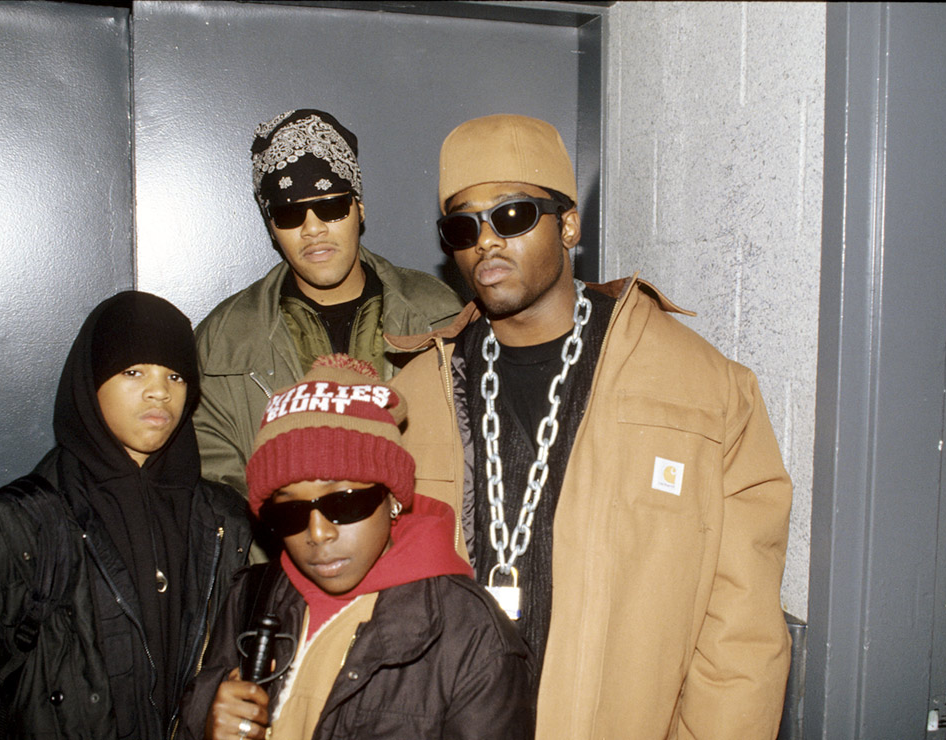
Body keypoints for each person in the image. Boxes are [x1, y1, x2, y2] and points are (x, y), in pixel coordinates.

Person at [387, 114, 793, 739]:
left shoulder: (702, 388)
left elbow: (742, 635)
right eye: (463, 227)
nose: (486, 242)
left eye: (513, 215)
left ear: (569, 226)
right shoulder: (413, 396)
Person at [0, 291, 252, 739]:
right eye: (133, 371)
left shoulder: (226, 523)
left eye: (175, 375)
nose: (159, 391)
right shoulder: (14, 535)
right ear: (90, 382)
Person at [178, 355, 534, 740]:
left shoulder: (471, 633)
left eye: (344, 503)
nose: (318, 533)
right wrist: (207, 722)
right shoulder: (252, 596)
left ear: (392, 497)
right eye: (289, 511)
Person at [194, 109, 462, 498]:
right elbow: (217, 489)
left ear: (359, 208)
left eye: (331, 206)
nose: (313, 228)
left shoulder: (438, 313)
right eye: (289, 213)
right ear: (271, 227)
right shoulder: (224, 340)